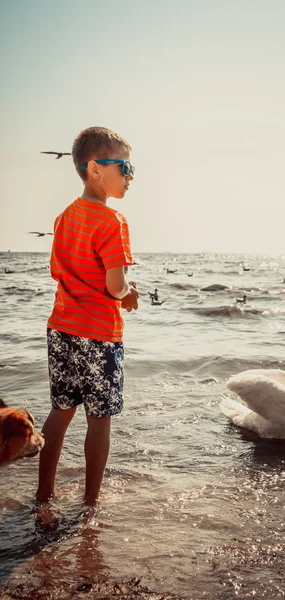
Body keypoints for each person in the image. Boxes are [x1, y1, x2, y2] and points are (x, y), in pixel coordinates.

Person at [36, 126, 139, 506]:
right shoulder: (114, 222)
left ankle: (44, 492)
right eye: (125, 166)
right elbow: (115, 286)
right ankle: (91, 501)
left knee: (60, 411)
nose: (130, 175)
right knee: (99, 422)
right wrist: (129, 295)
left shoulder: (64, 217)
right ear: (96, 169)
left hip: (61, 329)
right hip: (99, 335)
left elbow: (71, 271)